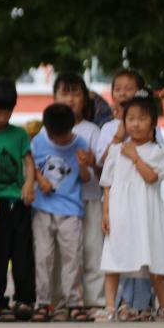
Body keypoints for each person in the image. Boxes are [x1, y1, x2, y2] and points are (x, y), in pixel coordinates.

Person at [96, 93, 164, 321]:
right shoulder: (115, 151)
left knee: (155, 261)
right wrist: (106, 212)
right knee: (114, 260)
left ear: (153, 122)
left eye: (142, 118)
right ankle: (110, 306)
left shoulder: (158, 152)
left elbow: (151, 177)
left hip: (147, 214)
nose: (135, 124)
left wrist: (135, 157)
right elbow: (107, 184)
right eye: (131, 118)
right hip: (121, 213)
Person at [30, 103, 91, 322]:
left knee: (72, 257)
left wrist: (84, 165)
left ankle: (74, 303)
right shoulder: (38, 141)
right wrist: (39, 180)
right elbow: (29, 165)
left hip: (71, 210)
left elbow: (85, 178)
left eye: (63, 137)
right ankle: (43, 302)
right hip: (43, 209)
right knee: (43, 257)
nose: (59, 141)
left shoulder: (80, 143)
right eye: (55, 138)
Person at [0, 79, 36, 322]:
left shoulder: (20, 134)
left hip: (20, 202)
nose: (2, 117)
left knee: (23, 253)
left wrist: (28, 183)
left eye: (7, 112)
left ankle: (24, 299)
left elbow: (28, 162)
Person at [53, 73, 102, 315]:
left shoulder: (92, 130)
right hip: (60, 202)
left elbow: (102, 167)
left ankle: (96, 301)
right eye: (64, 93)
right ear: (54, 98)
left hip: (89, 198)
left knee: (93, 250)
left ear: (85, 99)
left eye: (75, 93)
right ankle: (62, 301)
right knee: (63, 255)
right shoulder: (48, 130)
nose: (70, 99)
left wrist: (91, 162)